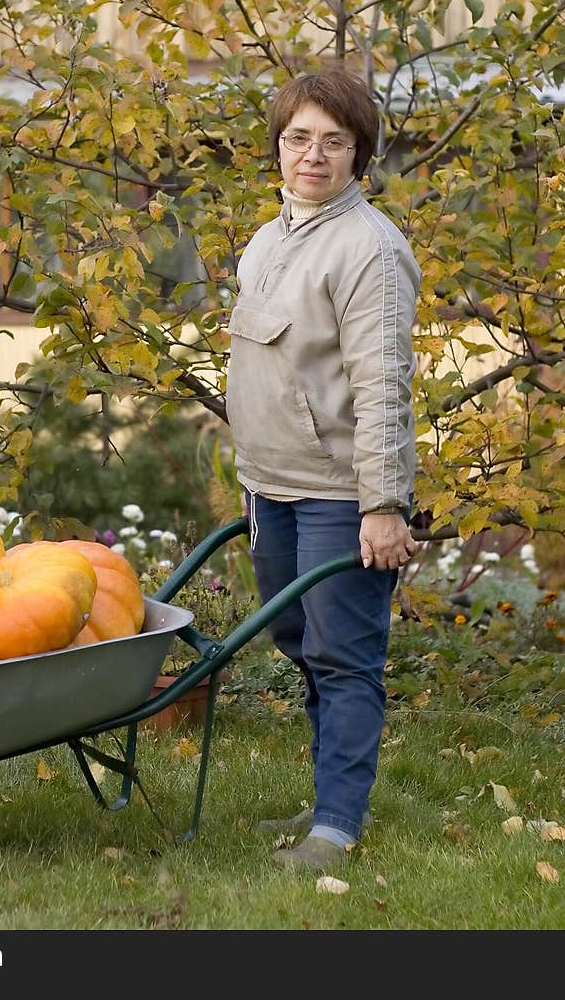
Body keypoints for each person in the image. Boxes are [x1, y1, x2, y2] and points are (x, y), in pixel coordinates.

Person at [225, 69, 421, 872]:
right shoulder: (269, 237)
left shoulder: (369, 249)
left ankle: (337, 825)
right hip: (272, 484)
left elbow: (381, 386)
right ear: (279, 145)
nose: (314, 155)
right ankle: (331, 790)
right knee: (300, 639)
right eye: (299, 138)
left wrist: (383, 504)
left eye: (334, 141)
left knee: (344, 653)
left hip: (340, 492)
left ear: (359, 155)